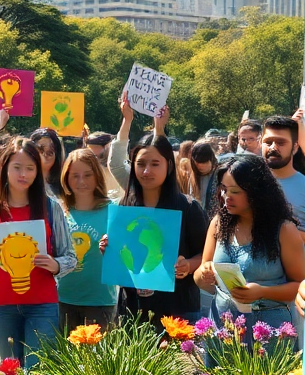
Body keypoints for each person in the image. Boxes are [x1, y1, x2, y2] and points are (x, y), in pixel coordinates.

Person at [0, 138, 78, 367]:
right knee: (11, 370)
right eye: (17, 167)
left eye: (30, 168)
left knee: (37, 370)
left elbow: (70, 257)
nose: (23, 174)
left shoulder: (51, 207)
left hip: (42, 303)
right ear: (4, 168)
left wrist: (56, 265)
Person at [103, 134, 209, 324]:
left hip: (178, 310)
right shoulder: (125, 206)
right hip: (132, 309)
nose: (146, 171)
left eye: (155, 164)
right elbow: (120, 254)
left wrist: (188, 265)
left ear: (169, 166)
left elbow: (207, 254)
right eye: (140, 164)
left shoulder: (188, 207)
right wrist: (108, 247)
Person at [195, 154, 305, 334]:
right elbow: (200, 277)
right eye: (223, 189)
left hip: (269, 332)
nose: (226, 196)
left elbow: (300, 286)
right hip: (223, 329)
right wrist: (204, 273)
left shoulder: (284, 230)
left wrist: (262, 292)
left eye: (235, 191)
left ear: (256, 192)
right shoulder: (219, 223)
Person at [58, 148, 118, 329]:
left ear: (97, 176)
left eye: (87, 175)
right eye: (75, 176)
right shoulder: (58, 211)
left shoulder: (113, 210)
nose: (81, 181)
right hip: (63, 299)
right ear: (66, 178)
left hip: (100, 301)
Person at [262, 116, 305, 240]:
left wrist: (286, 231)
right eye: (268, 142)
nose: (273, 147)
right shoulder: (248, 183)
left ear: (295, 147)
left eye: (281, 143)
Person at [28, 127, 67, 200]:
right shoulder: (23, 183)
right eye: (40, 150)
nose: (45, 155)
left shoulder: (64, 188)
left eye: (50, 152)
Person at [187, 143, 220, 217]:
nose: (201, 167)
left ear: (211, 160)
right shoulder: (193, 176)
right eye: (197, 165)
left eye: (205, 163)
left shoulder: (220, 175)